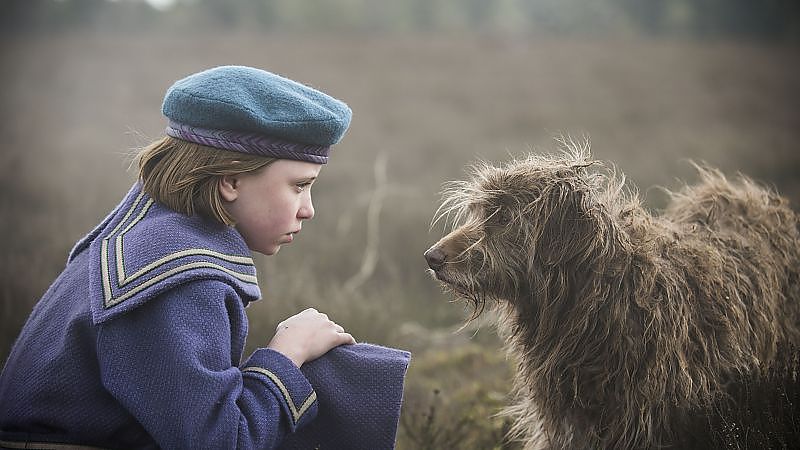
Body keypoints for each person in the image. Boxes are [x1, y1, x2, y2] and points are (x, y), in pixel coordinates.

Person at [0, 66, 409, 449]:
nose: (308, 209)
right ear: (230, 180)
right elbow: (219, 442)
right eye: (299, 186)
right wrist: (287, 354)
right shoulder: (177, 280)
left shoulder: (151, 236)